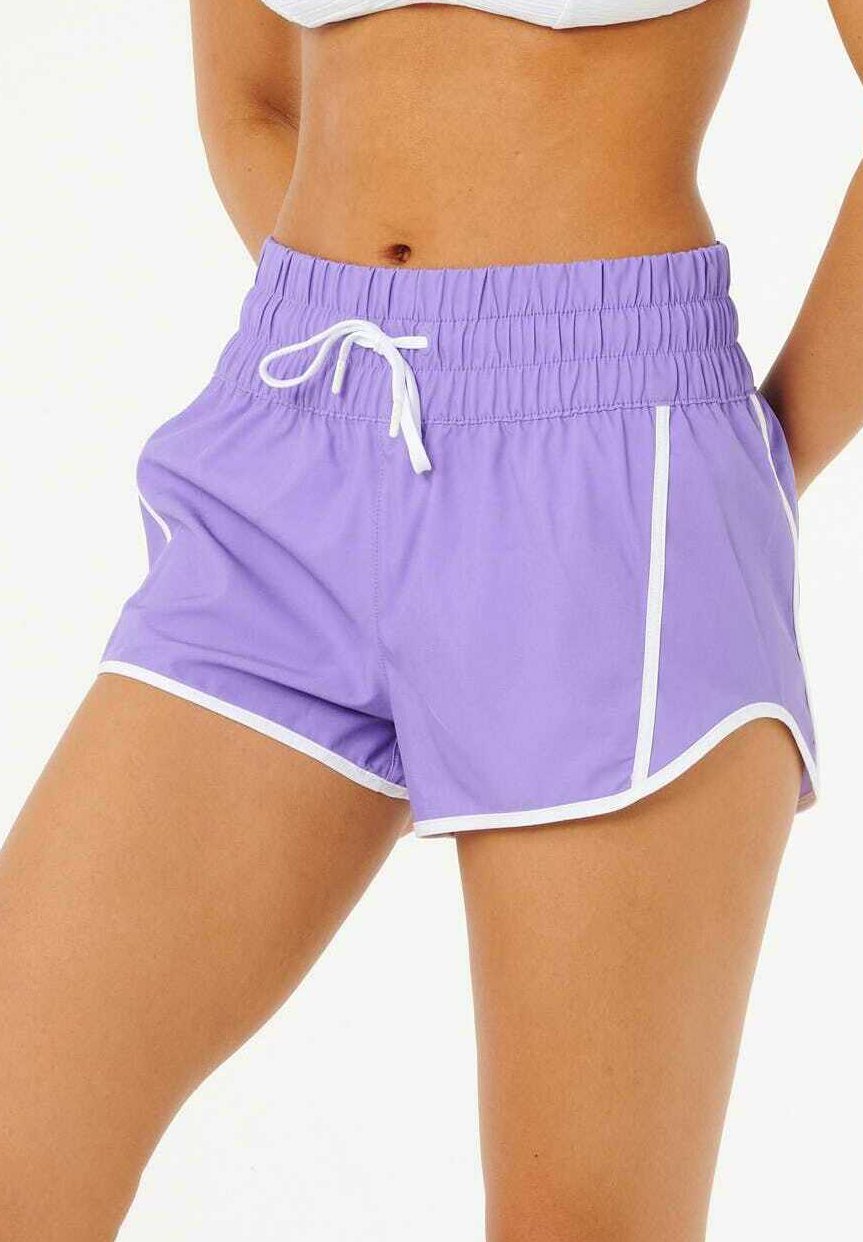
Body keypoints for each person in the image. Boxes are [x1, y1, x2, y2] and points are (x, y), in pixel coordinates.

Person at [1, 0, 861, 1237]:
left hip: (607, 457)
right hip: (297, 428)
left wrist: (759, 463)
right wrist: (410, 345)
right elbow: (253, 98)